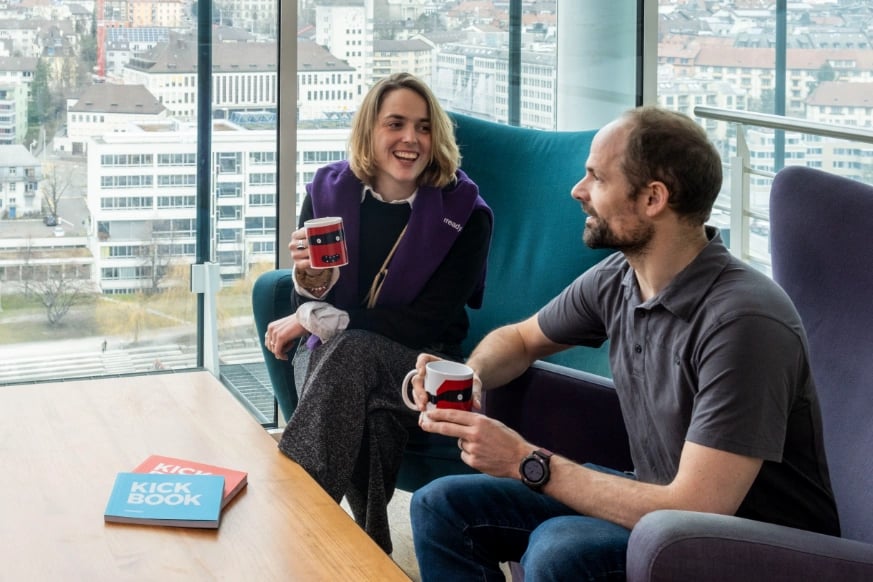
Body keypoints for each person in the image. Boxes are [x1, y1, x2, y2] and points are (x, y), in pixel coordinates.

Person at [408, 106, 839, 580]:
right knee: (441, 505)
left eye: (596, 177)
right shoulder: (620, 278)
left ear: (653, 198)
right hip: (661, 501)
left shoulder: (745, 323)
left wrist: (524, 461)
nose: (578, 190)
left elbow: (699, 508)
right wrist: (470, 378)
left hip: (748, 544)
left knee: (561, 551)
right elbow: (521, 339)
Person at [258, 72, 493, 554]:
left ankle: (291, 522)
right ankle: (371, 550)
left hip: (423, 365)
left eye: (424, 127)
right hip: (331, 356)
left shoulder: (466, 214)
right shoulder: (327, 195)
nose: (411, 139)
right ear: (369, 131)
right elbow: (311, 301)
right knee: (373, 415)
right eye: (396, 124)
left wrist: (315, 320)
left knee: (354, 352)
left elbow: (426, 323)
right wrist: (309, 284)